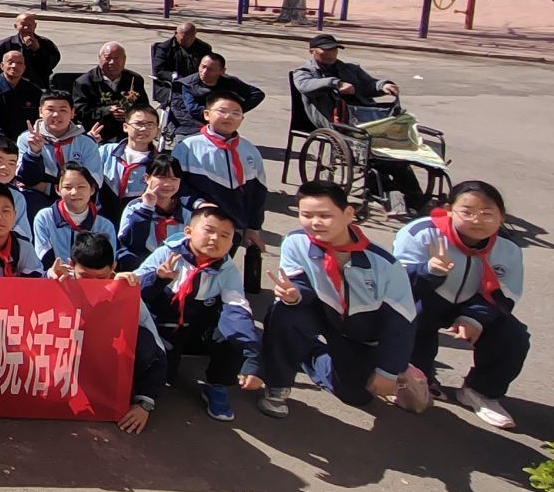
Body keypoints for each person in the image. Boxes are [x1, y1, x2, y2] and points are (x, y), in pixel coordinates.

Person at [258, 180, 430, 419]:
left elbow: (401, 321)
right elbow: (299, 281)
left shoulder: (385, 264)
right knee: (284, 312)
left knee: (357, 395)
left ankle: (310, 354)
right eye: (306, 215)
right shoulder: (295, 241)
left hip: (360, 332)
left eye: (325, 215)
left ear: (348, 214)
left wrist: (389, 370)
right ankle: (277, 385)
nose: (315, 222)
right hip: (319, 311)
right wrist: (295, 293)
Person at [393, 180, 528, 429]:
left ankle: (480, 392)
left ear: (501, 217)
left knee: (513, 335)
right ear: (448, 210)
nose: (477, 220)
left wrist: (474, 318)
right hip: (426, 297)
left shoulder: (508, 249)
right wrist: (428, 271)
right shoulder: (421, 232)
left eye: (487, 213)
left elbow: (506, 294)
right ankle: (419, 377)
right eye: (467, 212)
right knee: (410, 320)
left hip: (476, 304)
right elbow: (396, 283)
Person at [132, 203, 262, 422]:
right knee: (164, 377)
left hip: (199, 330)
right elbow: (134, 292)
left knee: (234, 336)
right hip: (163, 327)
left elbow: (237, 310)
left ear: (232, 242)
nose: (215, 239)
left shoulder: (228, 270)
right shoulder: (167, 254)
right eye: (209, 230)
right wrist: (158, 279)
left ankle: (216, 385)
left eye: (224, 235)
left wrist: (252, 355)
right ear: (189, 231)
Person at [293, 33, 424, 215]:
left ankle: (416, 199)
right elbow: (305, 86)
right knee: (376, 157)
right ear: (312, 52)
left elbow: (369, 85)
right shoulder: (304, 72)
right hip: (335, 121)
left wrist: (383, 86)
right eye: (326, 51)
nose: (331, 54)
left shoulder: (349, 69)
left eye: (334, 50)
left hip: (364, 117)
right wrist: (335, 83)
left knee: (397, 156)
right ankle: (388, 194)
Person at [66, 232, 167, 435]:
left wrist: (144, 403)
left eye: (101, 278)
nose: (93, 284)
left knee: (143, 341)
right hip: (73, 363)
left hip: (109, 363)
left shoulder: (127, 292)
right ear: (72, 265)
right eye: (85, 277)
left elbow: (155, 351)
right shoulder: (61, 280)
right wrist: (50, 277)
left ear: (113, 268)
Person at [173, 94, 266, 251]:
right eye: (222, 111)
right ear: (207, 114)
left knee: (222, 264)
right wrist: (198, 203)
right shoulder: (188, 147)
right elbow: (176, 185)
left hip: (232, 229)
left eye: (236, 113)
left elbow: (258, 193)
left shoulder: (250, 151)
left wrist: (253, 227)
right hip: (197, 223)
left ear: (242, 119)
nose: (228, 116)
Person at [33, 163, 119, 274]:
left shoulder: (104, 225)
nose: (74, 192)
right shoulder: (45, 217)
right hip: (55, 278)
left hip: (90, 279)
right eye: (68, 187)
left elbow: (106, 264)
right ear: (57, 189)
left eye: (81, 187)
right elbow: (43, 256)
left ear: (92, 189)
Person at [163, 52, 264, 142]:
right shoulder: (188, 84)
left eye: (210, 69)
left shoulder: (229, 82)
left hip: (219, 123)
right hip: (189, 124)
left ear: (222, 71)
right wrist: (218, 113)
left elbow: (257, 94)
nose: (204, 72)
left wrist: (236, 110)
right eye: (203, 67)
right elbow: (193, 109)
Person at [18, 91, 102, 192]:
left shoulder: (86, 142)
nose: (56, 115)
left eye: (63, 110)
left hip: (76, 195)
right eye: (50, 109)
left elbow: (93, 181)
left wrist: (47, 188)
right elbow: (25, 180)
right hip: (37, 196)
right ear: (40, 112)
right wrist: (33, 153)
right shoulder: (27, 138)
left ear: (72, 113)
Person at [116, 159, 187, 270]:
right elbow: (132, 244)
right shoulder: (134, 208)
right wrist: (146, 208)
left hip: (176, 265)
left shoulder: (187, 214)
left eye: (174, 179)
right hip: (140, 265)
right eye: (161, 177)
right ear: (147, 178)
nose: (168, 184)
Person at [71, 43, 148, 142]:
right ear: (100, 58)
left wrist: (129, 113)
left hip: (128, 131)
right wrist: (107, 111)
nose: (112, 62)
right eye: (107, 58)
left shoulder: (134, 79)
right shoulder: (84, 82)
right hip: (98, 132)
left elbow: (144, 107)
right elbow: (79, 112)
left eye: (116, 58)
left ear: (124, 59)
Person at [0, 48, 42, 143]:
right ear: (2, 66)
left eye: (19, 63)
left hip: (27, 141)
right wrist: (3, 140)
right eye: (10, 62)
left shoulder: (34, 91)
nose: (14, 66)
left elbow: (39, 119)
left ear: (24, 68)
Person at [0, 12, 61, 86]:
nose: (26, 28)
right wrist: (7, 75)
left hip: (39, 85)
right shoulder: (7, 43)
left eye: (29, 25)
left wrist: (38, 50)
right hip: (13, 86)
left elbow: (52, 62)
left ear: (35, 26)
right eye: (23, 25)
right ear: (16, 26)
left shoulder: (45, 43)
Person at [149, 20, 211, 89]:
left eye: (191, 38)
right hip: (174, 85)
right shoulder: (164, 48)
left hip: (198, 83)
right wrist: (176, 77)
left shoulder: (204, 48)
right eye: (184, 38)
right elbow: (159, 71)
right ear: (176, 34)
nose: (188, 41)